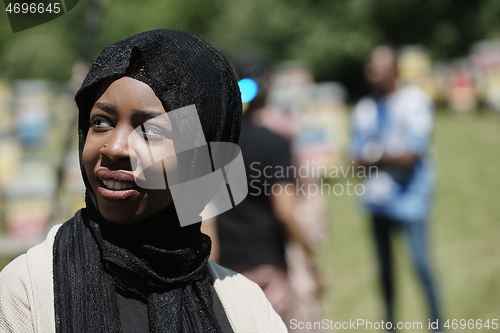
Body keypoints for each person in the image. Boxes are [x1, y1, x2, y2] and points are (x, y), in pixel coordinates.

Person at [0, 29, 287, 333]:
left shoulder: (245, 309)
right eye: (101, 122)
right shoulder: (29, 293)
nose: (115, 147)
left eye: (151, 131)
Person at [214, 56, 321, 326]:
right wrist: (311, 260)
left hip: (223, 269)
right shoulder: (274, 144)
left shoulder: (214, 147)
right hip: (266, 266)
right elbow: (286, 211)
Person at [351, 45, 441, 331]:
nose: (372, 72)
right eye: (369, 66)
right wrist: (385, 156)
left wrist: (376, 156)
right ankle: (391, 326)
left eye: (378, 66)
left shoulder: (413, 101)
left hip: (410, 200)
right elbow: (356, 160)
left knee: (421, 266)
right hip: (378, 201)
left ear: (394, 69)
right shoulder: (364, 109)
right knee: (386, 273)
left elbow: (413, 154)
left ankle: (438, 325)